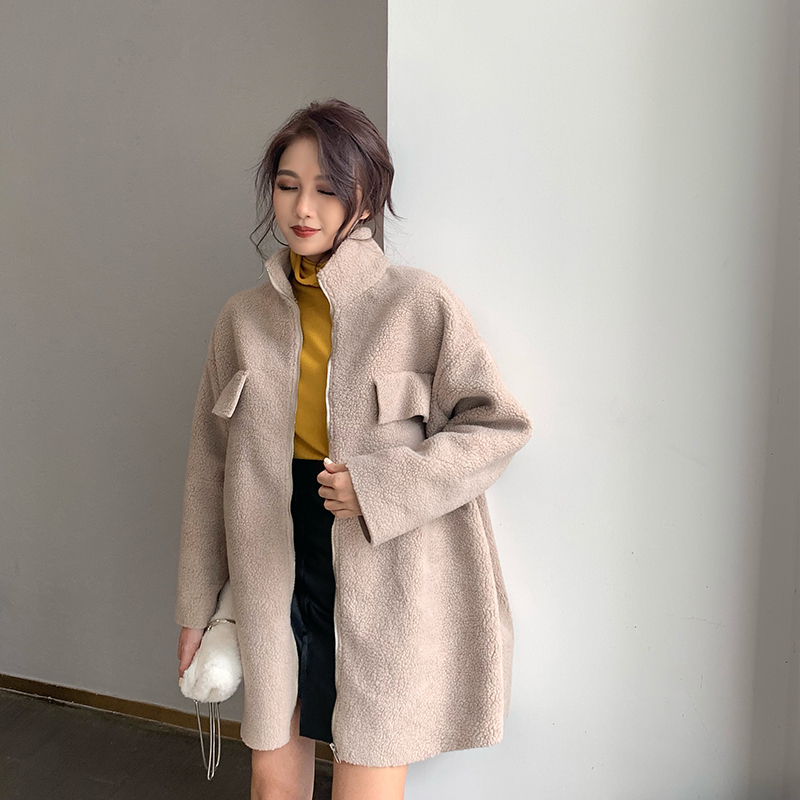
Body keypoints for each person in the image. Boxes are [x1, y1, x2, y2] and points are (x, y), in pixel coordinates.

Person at [175, 99, 533, 800]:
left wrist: (377, 485)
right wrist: (195, 607)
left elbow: (498, 426)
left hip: (382, 571)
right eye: (287, 185)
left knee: (367, 786)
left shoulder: (418, 305)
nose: (303, 207)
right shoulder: (241, 320)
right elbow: (206, 469)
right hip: (273, 565)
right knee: (273, 785)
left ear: (365, 196)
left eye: (327, 189)